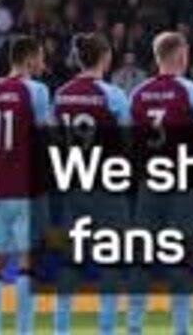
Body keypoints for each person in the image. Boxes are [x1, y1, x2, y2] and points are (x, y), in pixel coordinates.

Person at [127, 31, 193, 335]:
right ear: (180, 56)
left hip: (150, 184)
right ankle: (181, 328)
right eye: (185, 52)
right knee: (183, 256)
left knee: (142, 257)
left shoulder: (138, 94)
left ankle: (134, 326)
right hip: (184, 184)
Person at [51, 33, 132, 335]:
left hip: (74, 185)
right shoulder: (114, 96)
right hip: (107, 187)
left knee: (71, 261)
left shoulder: (61, 95)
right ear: (105, 58)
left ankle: (61, 329)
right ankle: (106, 329)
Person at [0, 35, 54, 335]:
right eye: (41, 57)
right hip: (27, 189)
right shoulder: (36, 91)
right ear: (29, 59)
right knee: (27, 261)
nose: (43, 64)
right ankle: (24, 331)